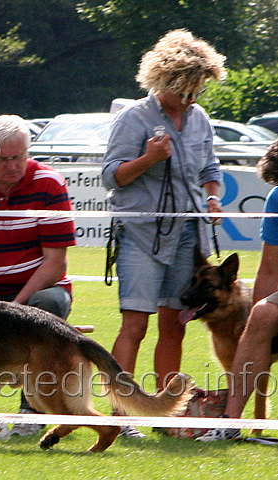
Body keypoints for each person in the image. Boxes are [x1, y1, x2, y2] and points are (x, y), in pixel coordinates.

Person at [101, 29, 225, 437]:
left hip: (187, 234)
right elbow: (112, 177)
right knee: (135, 324)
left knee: (176, 324)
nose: (192, 99)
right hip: (141, 232)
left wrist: (212, 198)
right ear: (163, 81)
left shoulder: (200, 119)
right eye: (186, 91)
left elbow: (210, 169)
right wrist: (148, 158)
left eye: (198, 91)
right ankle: (121, 415)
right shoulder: (134, 117)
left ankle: (166, 415)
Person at [0, 114, 76, 436]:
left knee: (45, 305)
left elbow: (55, 263)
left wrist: (15, 310)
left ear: (28, 152)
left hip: (37, 289)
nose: (12, 166)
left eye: (19, 157)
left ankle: (30, 410)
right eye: (3, 159)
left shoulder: (50, 184)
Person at [196, 140, 278, 441]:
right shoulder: (277, 198)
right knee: (261, 316)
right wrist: (253, 319)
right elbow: (270, 267)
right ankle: (229, 423)